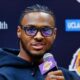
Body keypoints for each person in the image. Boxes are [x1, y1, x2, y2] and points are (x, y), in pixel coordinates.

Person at [0, 4, 79, 80]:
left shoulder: (66, 76)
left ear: (54, 33)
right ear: (19, 32)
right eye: (30, 29)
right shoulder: (4, 75)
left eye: (46, 30)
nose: (39, 37)